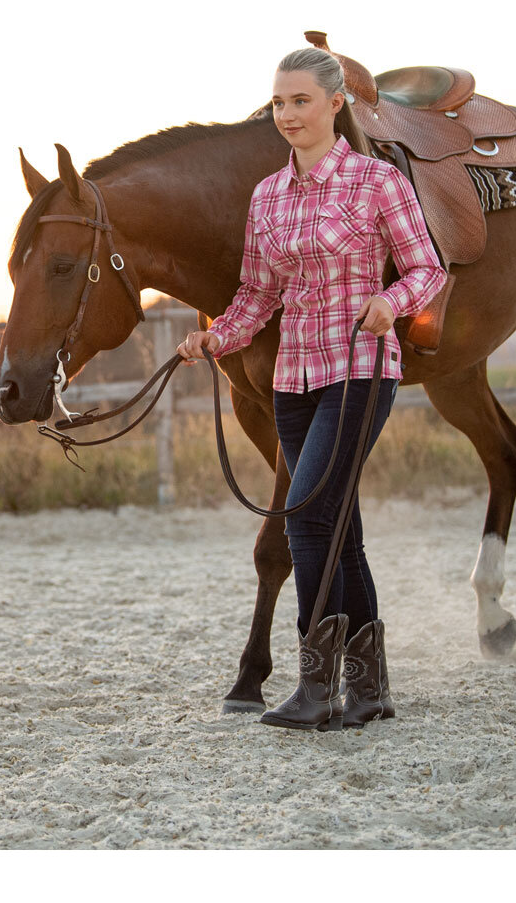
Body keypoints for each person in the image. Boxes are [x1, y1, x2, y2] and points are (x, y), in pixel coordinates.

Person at [178, 46, 447, 731]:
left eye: (301, 101)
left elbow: (427, 268)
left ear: (334, 104)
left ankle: (315, 686)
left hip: (360, 369)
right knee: (339, 533)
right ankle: (368, 689)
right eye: (278, 102)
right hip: (294, 378)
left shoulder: (375, 181)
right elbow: (257, 293)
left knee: (304, 517)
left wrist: (391, 302)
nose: (287, 114)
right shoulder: (267, 196)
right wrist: (218, 336)